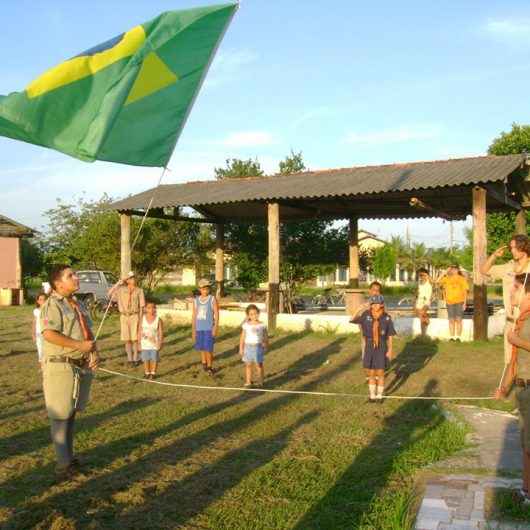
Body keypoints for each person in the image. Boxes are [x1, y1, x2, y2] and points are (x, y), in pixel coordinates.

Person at [40, 264, 99, 479]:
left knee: (71, 413)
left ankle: (69, 459)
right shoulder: (51, 305)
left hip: (78, 366)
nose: (76, 277)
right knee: (60, 416)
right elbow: (48, 333)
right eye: (70, 275)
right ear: (58, 283)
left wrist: (94, 352)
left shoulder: (78, 304)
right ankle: (63, 467)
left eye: (74, 274)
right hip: (60, 365)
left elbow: (88, 331)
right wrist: (78, 345)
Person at [494, 273, 530, 504]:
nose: (511, 292)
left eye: (515, 288)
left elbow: (519, 346)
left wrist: (517, 340)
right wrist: (504, 387)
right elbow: (514, 361)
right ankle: (526, 490)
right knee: (526, 444)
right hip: (523, 390)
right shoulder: (522, 320)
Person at [482, 234, 530, 364]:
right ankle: (508, 385)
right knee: (509, 360)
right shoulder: (508, 267)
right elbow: (484, 270)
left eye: (515, 248)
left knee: (525, 360)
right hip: (510, 321)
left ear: (523, 247)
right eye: (511, 248)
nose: (512, 250)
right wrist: (494, 256)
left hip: (527, 320)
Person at [352, 295, 396, 403]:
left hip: (381, 345)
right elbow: (352, 319)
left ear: (382, 305)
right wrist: (359, 308)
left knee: (380, 372)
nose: (376, 306)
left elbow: (390, 335)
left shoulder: (386, 318)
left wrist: (390, 349)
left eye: (378, 304)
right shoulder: (366, 315)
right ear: (371, 305)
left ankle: (379, 396)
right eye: (373, 304)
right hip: (369, 345)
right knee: (371, 372)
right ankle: (372, 395)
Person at [109, 271, 145, 368]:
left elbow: (141, 307)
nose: (133, 279)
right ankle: (130, 359)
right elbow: (109, 294)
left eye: (133, 278)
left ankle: (135, 358)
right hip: (124, 316)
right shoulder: (121, 290)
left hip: (134, 316)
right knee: (127, 339)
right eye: (130, 278)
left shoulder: (139, 290)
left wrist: (141, 320)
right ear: (127, 280)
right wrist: (118, 283)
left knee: (135, 339)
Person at [192, 278, 219, 376]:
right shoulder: (196, 301)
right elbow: (194, 316)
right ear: (199, 289)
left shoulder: (212, 299)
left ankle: (210, 366)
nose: (205, 291)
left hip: (208, 328)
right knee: (202, 348)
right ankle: (204, 363)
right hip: (199, 328)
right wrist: (193, 330)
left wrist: (215, 327)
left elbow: (216, 313)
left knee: (209, 349)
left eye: (207, 288)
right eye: (203, 289)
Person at [239, 304, 268, 387]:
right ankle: (248, 381)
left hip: (258, 347)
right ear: (248, 315)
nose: (254, 316)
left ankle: (260, 381)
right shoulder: (246, 325)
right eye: (251, 314)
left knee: (259, 364)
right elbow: (242, 337)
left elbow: (265, 336)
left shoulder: (262, 325)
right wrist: (241, 348)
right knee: (248, 365)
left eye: (255, 313)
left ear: (258, 313)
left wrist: (266, 345)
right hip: (248, 347)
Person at [439, 265, 469, 341]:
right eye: (452, 269)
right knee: (451, 320)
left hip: (459, 301)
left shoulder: (462, 279)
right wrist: (445, 272)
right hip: (449, 302)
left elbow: (465, 291)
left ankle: (458, 337)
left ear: (458, 270)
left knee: (459, 319)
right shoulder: (447, 278)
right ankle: (452, 337)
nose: (454, 271)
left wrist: (465, 303)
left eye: (455, 269)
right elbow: (437, 281)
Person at [139, 301, 164, 380]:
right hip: (144, 343)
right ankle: (147, 372)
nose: (151, 309)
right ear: (145, 309)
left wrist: (160, 342)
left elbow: (160, 332)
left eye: (153, 307)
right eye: (149, 308)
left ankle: (153, 373)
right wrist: (139, 343)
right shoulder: (142, 319)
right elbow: (139, 331)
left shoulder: (158, 320)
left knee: (154, 358)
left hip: (154, 343)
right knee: (146, 359)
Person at [415, 268, 433, 336]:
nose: (421, 276)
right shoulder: (419, 283)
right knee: (421, 318)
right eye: (420, 275)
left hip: (426, 301)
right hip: (419, 301)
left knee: (423, 313)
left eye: (422, 275)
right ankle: (423, 334)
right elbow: (418, 292)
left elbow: (432, 280)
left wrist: (425, 273)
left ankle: (427, 321)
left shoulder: (429, 281)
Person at [33, 292, 47, 364]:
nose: (43, 301)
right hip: (39, 332)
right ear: (38, 301)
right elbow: (34, 322)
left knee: (47, 349)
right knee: (40, 348)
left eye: (44, 299)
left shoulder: (49, 310)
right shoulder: (36, 311)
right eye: (41, 300)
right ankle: (41, 364)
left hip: (48, 333)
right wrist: (33, 334)